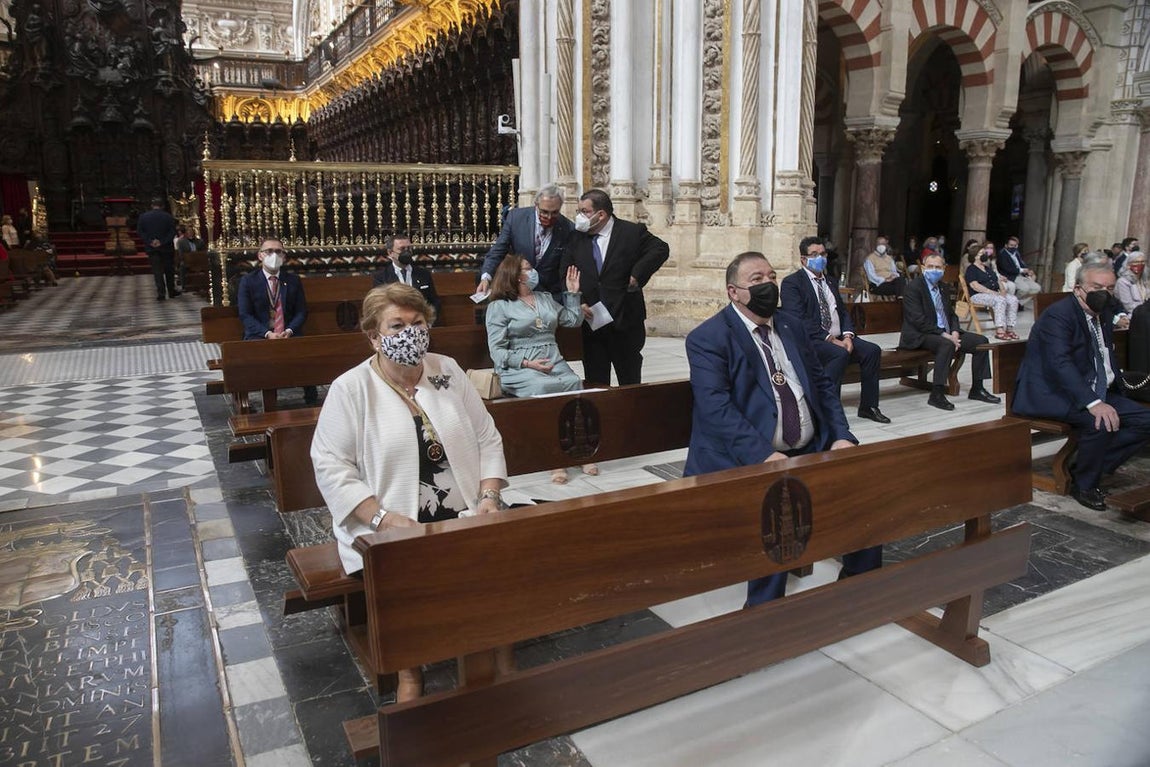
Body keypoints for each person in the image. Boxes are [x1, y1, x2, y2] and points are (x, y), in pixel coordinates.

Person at [311, 282, 508, 699]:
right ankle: (410, 670)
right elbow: (330, 465)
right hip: (390, 522)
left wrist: (490, 497)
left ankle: (494, 657)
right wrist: (383, 519)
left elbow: (487, 437)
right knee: (410, 569)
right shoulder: (351, 388)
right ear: (374, 336)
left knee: (499, 556)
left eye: (417, 323)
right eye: (396, 326)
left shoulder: (446, 369)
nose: (410, 333)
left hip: (464, 511)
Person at [683, 251, 881, 606]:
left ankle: (860, 585)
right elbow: (715, 407)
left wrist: (841, 436)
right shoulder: (708, 338)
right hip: (744, 456)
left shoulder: (791, 326)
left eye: (772, 276)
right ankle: (764, 610)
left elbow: (823, 387)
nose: (768, 285)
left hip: (807, 447)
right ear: (733, 292)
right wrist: (764, 454)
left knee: (864, 487)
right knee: (777, 506)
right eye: (756, 280)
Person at [1012, 261, 1150, 511]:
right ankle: (1085, 484)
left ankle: (1088, 466)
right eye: (1097, 287)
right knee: (1100, 422)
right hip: (1052, 393)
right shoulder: (1058, 316)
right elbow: (1060, 364)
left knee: (1145, 420)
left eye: (1110, 288)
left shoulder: (1102, 312)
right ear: (1078, 289)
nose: (1104, 294)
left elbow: (1102, 354)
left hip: (1092, 388)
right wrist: (1094, 402)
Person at [486, 254, 594, 483]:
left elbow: (572, 320)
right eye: (527, 268)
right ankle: (554, 457)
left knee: (574, 383)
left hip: (553, 360)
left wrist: (572, 293)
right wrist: (527, 363)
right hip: (519, 367)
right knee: (542, 387)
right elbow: (497, 351)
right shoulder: (499, 306)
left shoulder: (545, 298)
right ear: (515, 275)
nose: (532, 271)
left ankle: (579, 449)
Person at [561, 189, 670, 386]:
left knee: (629, 381)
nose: (579, 216)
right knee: (596, 382)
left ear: (601, 214)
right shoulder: (576, 238)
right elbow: (565, 273)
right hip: (592, 322)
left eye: (584, 211)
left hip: (625, 320)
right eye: (579, 211)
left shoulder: (630, 232)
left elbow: (660, 249)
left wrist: (637, 275)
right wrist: (579, 302)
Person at [781, 236, 890, 423]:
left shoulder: (830, 281)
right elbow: (798, 319)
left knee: (872, 351)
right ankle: (828, 409)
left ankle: (869, 406)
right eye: (814, 254)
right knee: (838, 354)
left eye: (823, 254)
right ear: (803, 259)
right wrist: (831, 339)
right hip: (813, 339)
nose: (820, 258)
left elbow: (843, 312)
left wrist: (847, 336)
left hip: (839, 337)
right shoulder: (793, 283)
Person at [900, 252, 1001, 410]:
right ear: (923, 268)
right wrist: (945, 335)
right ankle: (937, 394)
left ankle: (978, 388)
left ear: (944, 268)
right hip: (920, 335)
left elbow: (952, 315)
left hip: (946, 333)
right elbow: (917, 319)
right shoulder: (913, 287)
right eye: (930, 267)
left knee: (981, 342)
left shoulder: (943, 287)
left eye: (938, 267)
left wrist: (954, 332)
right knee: (946, 344)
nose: (934, 270)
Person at [237, 237, 317, 405]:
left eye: (278, 251)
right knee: (252, 357)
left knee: (308, 354)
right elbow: (245, 315)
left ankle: (311, 398)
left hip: (288, 334)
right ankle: (262, 400)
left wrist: (289, 330)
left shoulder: (293, 280)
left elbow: (301, 311)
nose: (274, 255)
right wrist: (267, 333)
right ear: (260, 256)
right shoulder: (248, 281)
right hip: (260, 335)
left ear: (284, 257)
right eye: (269, 251)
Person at [478, 185, 573, 299]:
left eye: (554, 212)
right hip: (517, 292)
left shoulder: (568, 228)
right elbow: (497, 251)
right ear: (536, 205)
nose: (549, 217)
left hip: (550, 296)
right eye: (544, 212)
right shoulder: (516, 218)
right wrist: (486, 277)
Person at [372, 233, 441, 318]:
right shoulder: (381, 277)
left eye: (408, 248)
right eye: (402, 249)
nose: (406, 252)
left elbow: (434, 302)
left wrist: (429, 321)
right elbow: (379, 305)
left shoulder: (423, 274)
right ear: (390, 253)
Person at [964, 242, 1019, 340]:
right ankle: (1000, 330)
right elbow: (975, 286)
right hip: (977, 295)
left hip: (994, 294)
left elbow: (997, 280)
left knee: (1013, 299)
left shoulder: (987, 268)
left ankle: (1009, 328)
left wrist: (1002, 291)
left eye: (984, 253)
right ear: (975, 256)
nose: (984, 255)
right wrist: (992, 292)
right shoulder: (971, 269)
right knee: (999, 300)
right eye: (981, 253)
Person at [136, 197, 179, 300]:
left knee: (157, 271)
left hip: (152, 248)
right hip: (166, 248)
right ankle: (171, 291)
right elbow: (172, 232)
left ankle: (161, 293)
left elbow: (140, 232)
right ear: (162, 206)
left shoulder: (143, 217)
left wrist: (150, 241)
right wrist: (162, 242)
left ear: (152, 206)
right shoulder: (168, 216)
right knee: (169, 270)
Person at [996, 235, 1040, 305]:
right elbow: (1006, 268)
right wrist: (1021, 270)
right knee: (1025, 289)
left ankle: (1018, 303)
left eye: (1015, 245)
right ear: (1006, 245)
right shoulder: (1002, 254)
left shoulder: (1016, 253)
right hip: (1011, 276)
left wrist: (1028, 271)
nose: (1013, 247)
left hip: (1021, 275)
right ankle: (1012, 302)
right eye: (1011, 245)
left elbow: (1022, 264)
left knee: (1037, 288)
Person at [863, 234, 906, 298]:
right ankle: (900, 300)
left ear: (886, 245)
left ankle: (900, 299)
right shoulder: (870, 259)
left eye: (883, 244)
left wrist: (893, 276)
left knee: (901, 280)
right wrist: (884, 280)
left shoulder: (889, 259)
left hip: (890, 282)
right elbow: (871, 276)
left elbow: (894, 272)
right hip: (878, 284)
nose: (881, 246)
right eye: (879, 244)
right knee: (899, 289)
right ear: (876, 245)